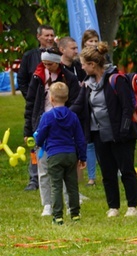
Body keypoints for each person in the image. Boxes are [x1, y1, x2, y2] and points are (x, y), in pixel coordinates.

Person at [71, 42, 137, 217]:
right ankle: (113, 207)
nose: (82, 67)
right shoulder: (87, 84)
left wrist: (124, 130)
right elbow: (78, 105)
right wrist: (60, 115)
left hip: (121, 134)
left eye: (83, 64)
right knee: (108, 172)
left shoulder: (116, 80)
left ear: (92, 65)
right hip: (99, 134)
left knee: (126, 170)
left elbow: (127, 107)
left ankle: (132, 206)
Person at [24, 47, 81, 217]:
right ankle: (47, 204)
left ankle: (68, 203)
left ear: (58, 62)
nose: (47, 66)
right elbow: (30, 103)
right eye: (44, 63)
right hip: (42, 123)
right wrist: (28, 130)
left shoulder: (69, 77)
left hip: (62, 124)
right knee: (43, 167)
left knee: (63, 171)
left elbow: (77, 100)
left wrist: (66, 116)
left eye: (50, 64)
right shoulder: (38, 77)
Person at [34, 82, 87, 225]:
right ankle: (75, 213)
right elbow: (80, 139)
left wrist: (37, 140)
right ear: (67, 97)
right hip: (70, 154)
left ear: (51, 98)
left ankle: (58, 216)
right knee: (72, 186)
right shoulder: (73, 116)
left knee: (56, 186)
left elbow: (39, 137)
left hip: (54, 155)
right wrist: (82, 157)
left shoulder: (47, 116)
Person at [18, 24, 56, 191]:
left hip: (56, 106)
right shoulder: (29, 56)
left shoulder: (57, 55)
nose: (49, 38)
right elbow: (22, 81)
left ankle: (56, 176)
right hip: (37, 109)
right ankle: (34, 178)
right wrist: (32, 98)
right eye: (46, 35)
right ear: (39, 37)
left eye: (51, 35)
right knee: (35, 142)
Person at [80, 29, 104, 187]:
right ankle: (91, 176)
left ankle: (113, 170)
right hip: (89, 115)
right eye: (91, 41)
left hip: (104, 119)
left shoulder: (104, 66)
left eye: (96, 41)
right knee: (89, 144)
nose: (94, 44)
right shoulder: (82, 67)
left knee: (106, 144)